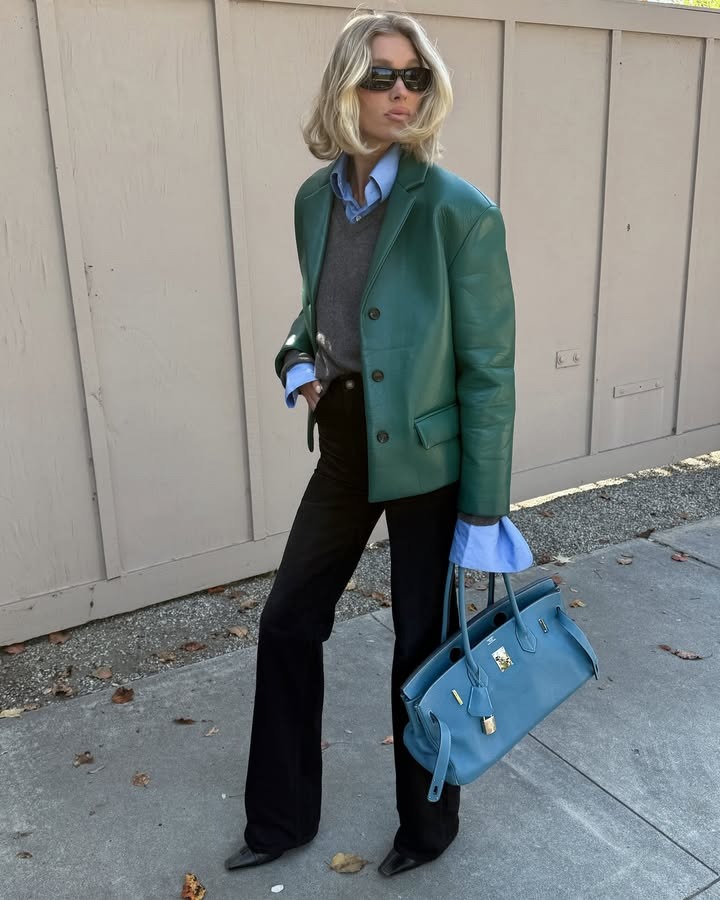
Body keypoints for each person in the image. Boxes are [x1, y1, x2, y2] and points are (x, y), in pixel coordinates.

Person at [225, 9, 532, 878]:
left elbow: (489, 370)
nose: (402, 92)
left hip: (431, 459)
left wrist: (485, 506)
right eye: (382, 76)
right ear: (345, 88)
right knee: (288, 620)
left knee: (419, 648)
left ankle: (428, 829)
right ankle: (279, 819)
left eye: (415, 77)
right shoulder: (313, 199)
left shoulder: (457, 212)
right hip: (350, 443)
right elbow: (324, 307)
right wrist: (298, 363)